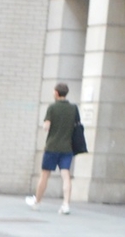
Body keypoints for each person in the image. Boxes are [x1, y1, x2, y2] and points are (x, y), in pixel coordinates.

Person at [29, 83, 84, 214]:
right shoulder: (73, 108)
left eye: (54, 92)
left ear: (57, 93)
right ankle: (66, 205)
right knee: (66, 176)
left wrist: (47, 125)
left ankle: (37, 202)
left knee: (44, 175)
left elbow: (46, 126)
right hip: (67, 148)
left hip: (52, 146)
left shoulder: (52, 108)